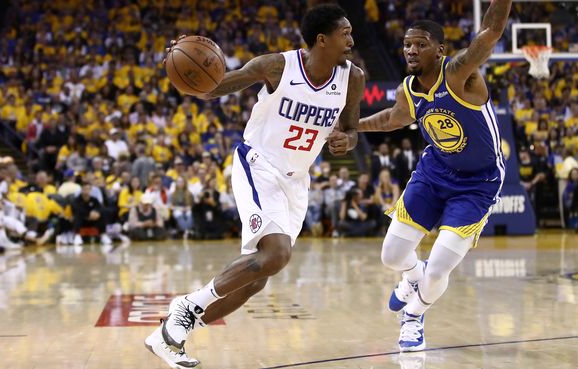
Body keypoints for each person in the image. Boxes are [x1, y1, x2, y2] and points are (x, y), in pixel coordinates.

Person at [144, 4, 364, 368]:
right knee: (276, 255)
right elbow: (213, 89)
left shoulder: (353, 78)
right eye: (345, 33)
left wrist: (347, 141)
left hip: (297, 179)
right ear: (322, 40)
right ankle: (187, 305)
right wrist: (183, 63)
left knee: (258, 278)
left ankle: (170, 335)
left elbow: (352, 129)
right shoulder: (277, 66)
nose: (352, 40)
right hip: (259, 164)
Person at [357, 1, 510, 352]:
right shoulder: (408, 90)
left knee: (440, 266)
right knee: (392, 256)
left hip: (478, 183)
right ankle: (411, 277)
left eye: (420, 43)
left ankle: (413, 315)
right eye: (408, 44)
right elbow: (393, 119)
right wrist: (355, 128)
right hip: (435, 172)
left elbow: (491, 32)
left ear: (440, 49)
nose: (411, 49)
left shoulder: (460, 72)